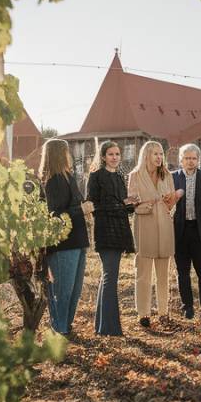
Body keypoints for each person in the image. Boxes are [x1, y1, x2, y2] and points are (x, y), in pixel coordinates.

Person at [39, 138, 93, 336]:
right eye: (67, 151)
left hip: (78, 240)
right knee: (62, 291)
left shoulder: (69, 177)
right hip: (63, 244)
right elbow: (55, 214)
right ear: (59, 155)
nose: (70, 155)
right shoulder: (53, 181)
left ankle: (66, 326)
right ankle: (59, 329)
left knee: (74, 291)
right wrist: (81, 209)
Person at [86, 140, 137, 336]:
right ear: (103, 156)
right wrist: (120, 206)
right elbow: (93, 205)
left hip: (120, 230)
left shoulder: (120, 177)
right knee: (109, 277)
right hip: (105, 231)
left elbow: (122, 204)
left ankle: (102, 326)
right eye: (111, 154)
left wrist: (133, 204)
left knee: (108, 277)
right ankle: (109, 328)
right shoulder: (96, 176)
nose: (115, 157)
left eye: (117, 154)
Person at [127, 141, 177, 328]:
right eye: (155, 154)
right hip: (144, 225)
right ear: (146, 155)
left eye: (161, 154)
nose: (159, 157)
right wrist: (140, 207)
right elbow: (130, 201)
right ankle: (143, 313)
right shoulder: (135, 175)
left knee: (163, 274)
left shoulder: (167, 175)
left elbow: (172, 203)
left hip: (164, 226)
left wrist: (170, 201)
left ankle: (164, 312)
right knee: (143, 273)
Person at [172, 143, 201, 318]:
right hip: (179, 230)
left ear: (198, 160)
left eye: (193, 158)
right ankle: (187, 307)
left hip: (199, 230)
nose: (190, 161)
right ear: (181, 160)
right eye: (187, 158)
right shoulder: (172, 178)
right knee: (182, 272)